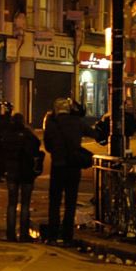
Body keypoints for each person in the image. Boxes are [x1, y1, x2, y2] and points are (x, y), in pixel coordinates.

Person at [43, 97, 97, 245]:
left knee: (54, 202)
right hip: (73, 167)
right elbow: (94, 133)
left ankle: (53, 236)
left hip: (58, 166)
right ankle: (68, 236)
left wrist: (57, 152)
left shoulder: (51, 123)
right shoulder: (77, 122)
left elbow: (47, 145)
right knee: (70, 202)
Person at [1, 113, 41, 242]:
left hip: (12, 172)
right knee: (25, 204)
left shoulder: (7, 135)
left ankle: (10, 234)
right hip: (26, 172)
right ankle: (24, 234)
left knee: (11, 204)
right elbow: (36, 148)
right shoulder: (28, 135)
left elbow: (0, 153)